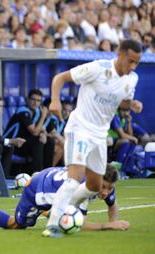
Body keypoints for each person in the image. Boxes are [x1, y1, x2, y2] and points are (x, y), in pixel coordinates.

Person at [43, 39, 143, 237]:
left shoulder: (132, 79)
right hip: (79, 128)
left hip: (100, 134)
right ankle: (53, 224)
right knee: (74, 178)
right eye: (130, 61)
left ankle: (65, 205)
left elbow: (122, 101)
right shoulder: (97, 68)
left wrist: (132, 105)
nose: (132, 67)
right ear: (120, 54)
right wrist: (55, 100)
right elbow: (60, 78)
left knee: (94, 186)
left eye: (136, 63)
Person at [0, 164, 130, 232]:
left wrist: (114, 220)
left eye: (110, 188)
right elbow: (82, 224)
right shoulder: (83, 188)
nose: (106, 192)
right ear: (96, 179)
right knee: (15, 225)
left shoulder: (99, 180)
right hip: (37, 190)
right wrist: (109, 226)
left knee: (63, 215)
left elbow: (112, 205)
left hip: (52, 179)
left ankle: (51, 212)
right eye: (104, 187)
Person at [3, 90, 54, 174]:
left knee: (50, 141)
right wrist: (44, 115)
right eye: (33, 99)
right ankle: (37, 174)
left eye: (38, 101)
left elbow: (41, 129)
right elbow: (34, 132)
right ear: (28, 100)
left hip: (23, 143)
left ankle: (47, 173)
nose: (35, 103)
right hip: (12, 143)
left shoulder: (36, 113)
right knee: (38, 141)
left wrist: (43, 134)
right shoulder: (23, 112)